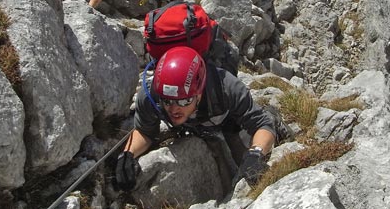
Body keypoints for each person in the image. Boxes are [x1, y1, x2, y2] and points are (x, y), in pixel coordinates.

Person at [115, 46, 277, 194]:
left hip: (228, 120)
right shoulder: (150, 96)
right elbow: (145, 131)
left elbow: (262, 124)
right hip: (196, 125)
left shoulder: (226, 88)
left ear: (199, 93)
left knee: (247, 167)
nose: (174, 109)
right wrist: (127, 155)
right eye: (167, 101)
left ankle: (277, 118)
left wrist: (256, 153)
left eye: (184, 101)